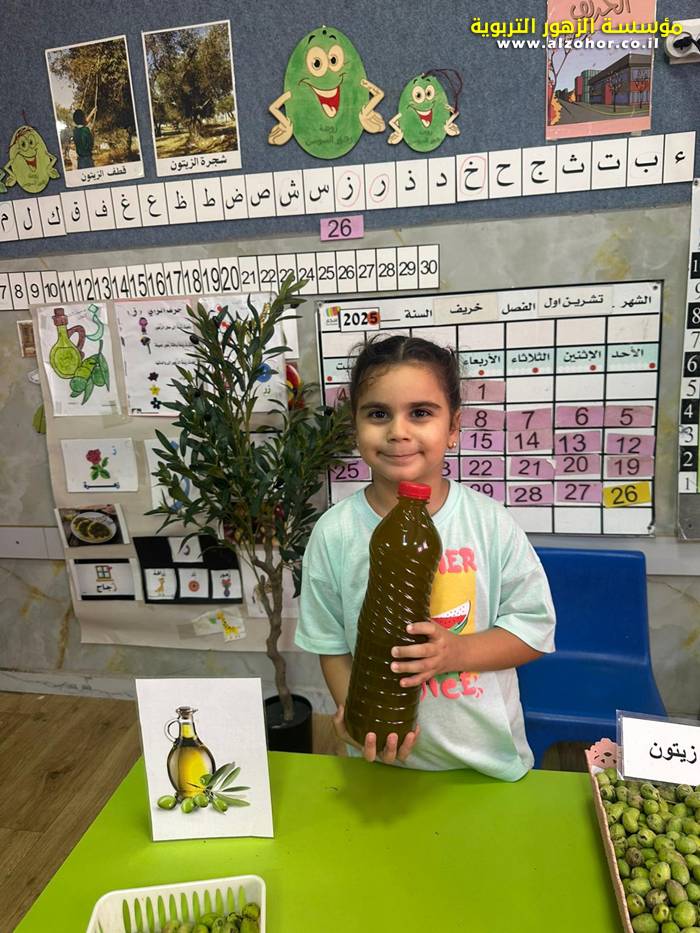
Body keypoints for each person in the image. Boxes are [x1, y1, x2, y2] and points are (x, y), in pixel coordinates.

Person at [295, 335, 556, 780]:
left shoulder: (490, 524)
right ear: (355, 426)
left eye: (420, 412)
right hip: (383, 763)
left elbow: (534, 632)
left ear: (453, 427)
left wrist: (456, 651)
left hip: (483, 764)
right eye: (378, 414)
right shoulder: (334, 532)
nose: (398, 431)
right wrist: (355, 714)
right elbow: (331, 646)